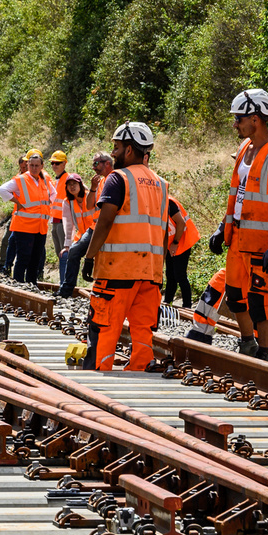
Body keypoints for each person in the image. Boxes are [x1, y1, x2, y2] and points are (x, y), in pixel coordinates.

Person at [80, 122, 171, 371]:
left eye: (117, 147)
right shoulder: (161, 185)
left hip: (117, 271)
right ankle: (140, 372)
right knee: (143, 330)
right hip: (150, 273)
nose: (113, 153)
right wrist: (158, 268)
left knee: (105, 328)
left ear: (129, 150)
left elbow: (106, 220)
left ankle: (98, 374)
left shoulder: (117, 179)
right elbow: (162, 230)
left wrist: (89, 256)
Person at [213, 88, 268, 361]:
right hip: (238, 239)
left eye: (239, 118)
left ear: (255, 119)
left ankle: (263, 355)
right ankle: (247, 341)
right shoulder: (244, 148)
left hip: (263, 246)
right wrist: (221, 227)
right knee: (235, 296)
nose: (235, 124)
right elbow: (237, 195)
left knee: (262, 304)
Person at [0, 150, 50, 283]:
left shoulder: (43, 180)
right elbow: (2, 190)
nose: (33, 168)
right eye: (31, 165)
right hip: (24, 226)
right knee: (23, 258)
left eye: (36, 165)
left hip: (40, 227)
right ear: (27, 166)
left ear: (42, 166)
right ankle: (19, 285)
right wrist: (17, 202)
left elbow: (53, 195)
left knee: (35, 259)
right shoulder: (21, 180)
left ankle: (31, 285)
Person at [58, 174, 95, 297]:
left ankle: (66, 290)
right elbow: (68, 224)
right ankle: (66, 290)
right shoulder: (68, 202)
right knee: (72, 252)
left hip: (95, 230)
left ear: (80, 184)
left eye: (74, 183)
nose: (72, 186)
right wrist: (67, 244)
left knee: (75, 251)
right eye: (69, 184)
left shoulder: (90, 195)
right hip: (83, 234)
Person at [163, 194, 198, 308]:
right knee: (170, 274)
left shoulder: (168, 202)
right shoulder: (159, 201)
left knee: (180, 275)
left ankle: (187, 306)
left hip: (182, 241)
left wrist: (175, 243)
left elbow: (181, 223)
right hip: (171, 243)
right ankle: (167, 302)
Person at [47, 151, 74, 266]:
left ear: (64, 164)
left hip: (64, 222)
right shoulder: (55, 180)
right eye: (52, 163)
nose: (54, 165)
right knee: (59, 252)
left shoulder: (68, 179)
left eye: (57, 163)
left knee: (65, 253)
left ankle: (67, 278)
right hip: (55, 221)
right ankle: (63, 276)